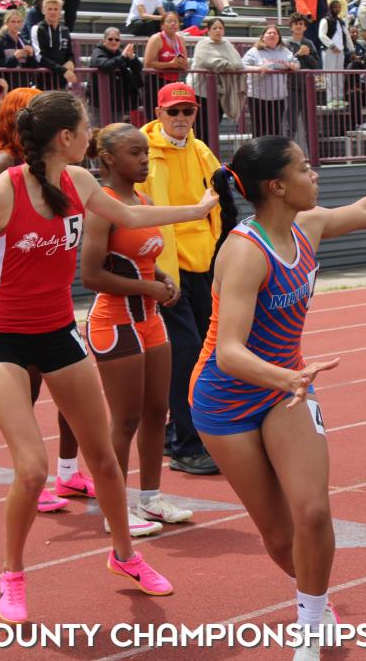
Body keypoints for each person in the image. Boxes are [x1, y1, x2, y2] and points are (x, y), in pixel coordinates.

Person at [0, 90, 219, 622]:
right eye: (86, 127)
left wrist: (200, 209)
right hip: (1, 339)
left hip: (58, 333)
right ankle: (12, 574)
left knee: (104, 460)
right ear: (66, 137)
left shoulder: (79, 181)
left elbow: (128, 213)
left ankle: (125, 556)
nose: (91, 134)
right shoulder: (4, 192)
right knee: (31, 470)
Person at [194, 129, 366, 660]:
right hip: (227, 399)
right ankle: (311, 592)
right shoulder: (244, 253)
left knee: (312, 513)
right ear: (276, 186)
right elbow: (229, 353)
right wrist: (287, 378)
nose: (315, 175)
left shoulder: (307, 225)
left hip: (285, 390)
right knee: (279, 538)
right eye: (304, 168)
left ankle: (310, 626)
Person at [0, 86, 92, 517]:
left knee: (73, 398)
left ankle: (68, 470)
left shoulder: (68, 170)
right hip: (14, 311)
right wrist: (6, 249)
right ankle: (37, 478)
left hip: (55, 308)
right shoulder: (7, 164)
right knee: (26, 396)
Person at [83, 123, 192, 535]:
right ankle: (113, 508)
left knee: (156, 413)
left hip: (151, 320)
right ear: (109, 159)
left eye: (146, 151)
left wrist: (162, 278)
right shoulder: (103, 206)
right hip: (116, 322)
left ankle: (151, 499)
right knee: (125, 419)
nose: (145, 159)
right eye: (135, 153)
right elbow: (91, 275)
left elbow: (144, 258)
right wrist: (148, 287)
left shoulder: (143, 201)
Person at [137, 81, 222, 476]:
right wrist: (152, 269)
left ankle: (177, 434)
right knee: (186, 353)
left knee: (205, 352)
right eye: (173, 111)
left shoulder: (201, 150)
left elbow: (220, 202)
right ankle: (188, 446)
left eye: (188, 111)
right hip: (167, 268)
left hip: (205, 265)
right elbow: (136, 211)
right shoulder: (143, 151)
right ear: (159, 112)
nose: (181, 118)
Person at [188, 17, 245, 145]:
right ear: (208, 31)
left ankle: (209, 153)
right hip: (201, 92)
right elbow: (206, 61)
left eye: (220, 28)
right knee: (200, 127)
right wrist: (227, 65)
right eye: (215, 28)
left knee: (214, 126)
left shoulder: (227, 44)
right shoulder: (203, 44)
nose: (218, 31)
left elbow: (238, 63)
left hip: (219, 93)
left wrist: (225, 65)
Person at [244, 25, 299, 137]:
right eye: (269, 33)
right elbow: (242, 65)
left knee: (275, 131)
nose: (272, 35)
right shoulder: (255, 51)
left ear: (279, 37)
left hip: (278, 98)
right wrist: (258, 69)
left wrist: (294, 66)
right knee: (259, 130)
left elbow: (296, 63)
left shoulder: (285, 51)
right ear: (263, 37)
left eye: (275, 33)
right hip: (257, 96)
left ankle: (273, 149)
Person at [89, 27, 145, 125]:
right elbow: (105, 66)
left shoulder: (119, 53)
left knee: (116, 130)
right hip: (100, 101)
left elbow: (138, 67)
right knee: (98, 129)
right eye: (110, 39)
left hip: (116, 101)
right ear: (104, 40)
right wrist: (122, 57)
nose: (113, 42)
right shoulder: (98, 52)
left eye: (117, 39)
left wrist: (132, 57)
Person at [284, 12, 320, 146]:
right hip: (291, 87)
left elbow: (316, 65)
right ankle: (288, 153)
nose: (298, 26)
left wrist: (307, 55)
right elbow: (285, 63)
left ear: (305, 27)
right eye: (295, 24)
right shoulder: (286, 44)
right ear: (291, 27)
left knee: (310, 124)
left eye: (301, 24)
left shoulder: (309, 43)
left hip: (308, 88)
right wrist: (298, 54)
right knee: (290, 124)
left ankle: (313, 155)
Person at [143, 11, 187, 117]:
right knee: (155, 116)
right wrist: (170, 64)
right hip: (155, 82)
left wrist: (181, 64)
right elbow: (148, 64)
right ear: (162, 25)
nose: (173, 24)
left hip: (173, 82)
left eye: (175, 21)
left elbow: (185, 64)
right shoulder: (156, 38)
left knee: (171, 115)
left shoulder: (180, 39)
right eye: (169, 21)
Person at [32, 0, 76, 92]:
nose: (53, 12)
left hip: (62, 83)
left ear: (60, 11)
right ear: (43, 10)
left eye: (56, 9)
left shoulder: (65, 30)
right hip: (43, 83)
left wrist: (71, 61)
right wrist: (63, 70)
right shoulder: (37, 29)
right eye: (49, 9)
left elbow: (69, 53)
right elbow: (39, 57)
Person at [0, 8, 39, 91]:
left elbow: (34, 68)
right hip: (6, 87)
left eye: (19, 22)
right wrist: (14, 57)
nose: (16, 25)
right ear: (7, 23)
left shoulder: (25, 43)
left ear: (22, 24)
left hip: (24, 86)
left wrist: (31, 56)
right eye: (13, 22)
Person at [317, 0, 352, 109]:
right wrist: (332, 46)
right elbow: (321, 35)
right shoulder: (325, 20)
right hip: (329, 51)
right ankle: (330, 99)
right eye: (335, 7)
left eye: (339, 7)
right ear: (330, 8)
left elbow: (347, 36)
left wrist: (352, 50)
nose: (337, 9)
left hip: (340, 51)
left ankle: (339, 98)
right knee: (330, 75)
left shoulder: (341, 22)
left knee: (339, 75)